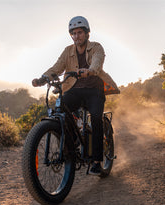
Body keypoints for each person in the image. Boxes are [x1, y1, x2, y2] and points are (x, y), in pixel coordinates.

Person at [32, 16, 119, 175]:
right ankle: (70, 144)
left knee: (96, 119)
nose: (76, 36)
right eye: (73, 33)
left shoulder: (96, 47)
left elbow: (97, 63)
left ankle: (97, 161)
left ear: (87, 34)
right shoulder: (67, 51)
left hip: (95, 90)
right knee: (60, 109)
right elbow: (57, 67)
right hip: (75, 90)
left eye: (80, 32)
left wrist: (90, 71)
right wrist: (43, 78)